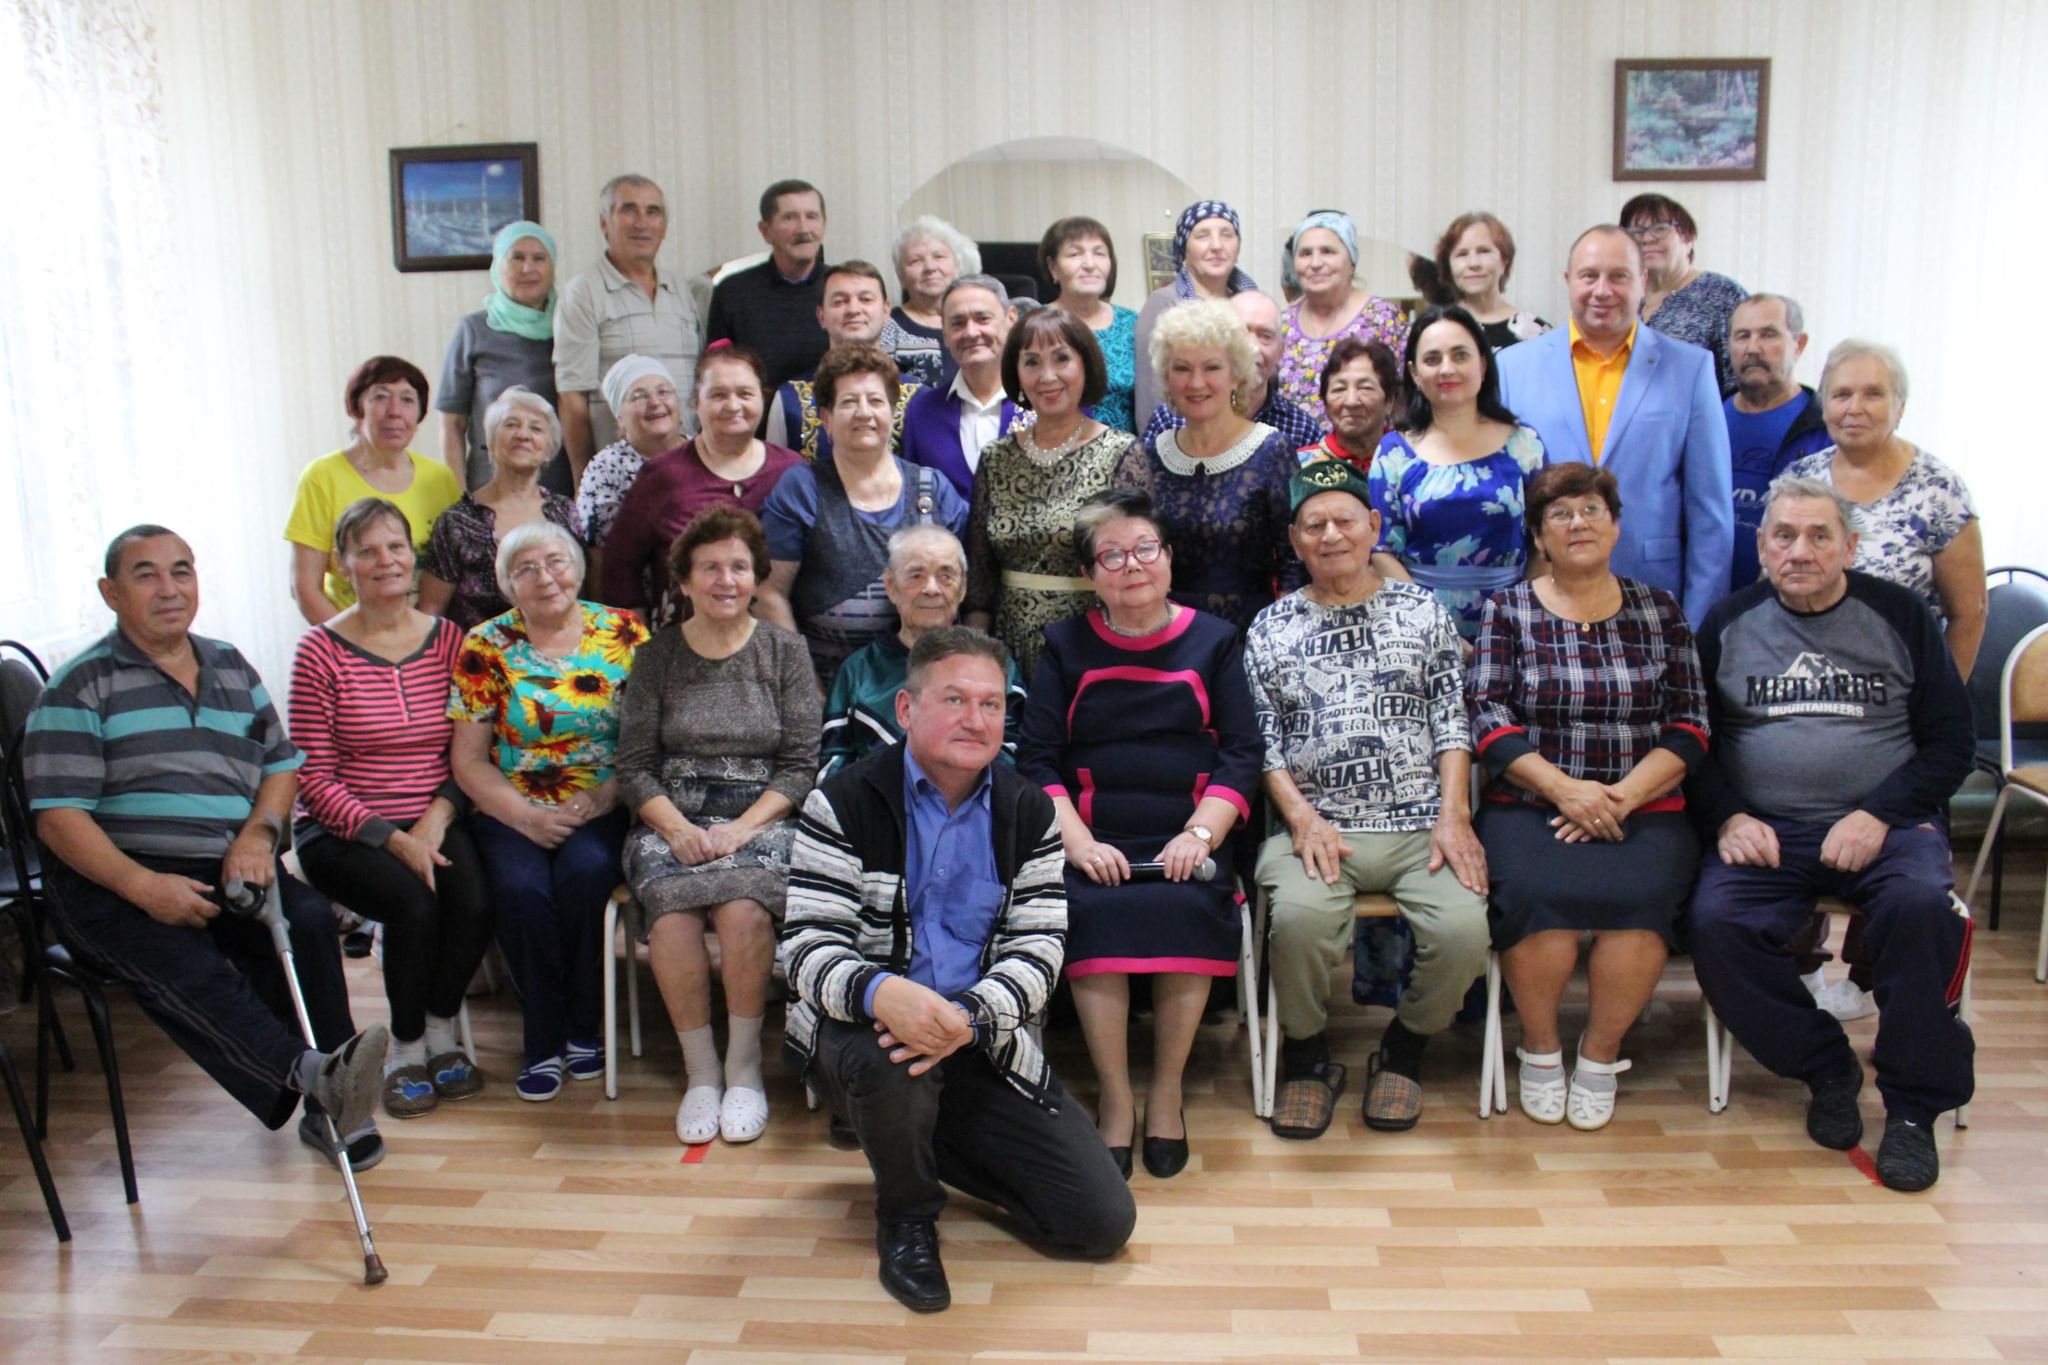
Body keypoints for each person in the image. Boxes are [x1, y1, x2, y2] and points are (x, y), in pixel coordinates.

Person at [782, 627, 1136, 1313]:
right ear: (907, 709)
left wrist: (969, 1018)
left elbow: (1039, 951)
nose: (976, 719)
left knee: (1100, 1222)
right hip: (865, 1029)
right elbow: (806, 946)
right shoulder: (842, 801)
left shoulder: (1028, 811)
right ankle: (907, 1214)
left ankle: (915, 1134)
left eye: (991, 704)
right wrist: (884, 993)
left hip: (976, 1036)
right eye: (954, 700)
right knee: (894, 1062)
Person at [24, 526, 390, 1168]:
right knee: (183, 956)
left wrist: (259, 834)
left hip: (229, 858)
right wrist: (143, 886)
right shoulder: (79, 686)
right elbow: (58, 821)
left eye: (182, 571)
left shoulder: (229, 664)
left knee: (307, 919)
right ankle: (317, 1079)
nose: (169, 589)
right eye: (146, 574)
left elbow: (281, 766)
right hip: (112, 877)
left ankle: (327, 1102)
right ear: (110, 593)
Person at [1687, 475, 1975, 1192]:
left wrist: (1880, 812)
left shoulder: (1900, 615)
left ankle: (1912, 1110)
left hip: (1889, 822)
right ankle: (1826, 1067)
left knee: (1921, 909)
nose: (1800, 551)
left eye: (1820, 536)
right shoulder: (1727, 623)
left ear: (1850, 546)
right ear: (1762, 546)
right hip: (1769, 830)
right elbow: (1692, 744)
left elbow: (1951, 742)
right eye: (1784, 535)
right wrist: (1728, 815)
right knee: (1716, 923)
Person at [1018, 492, 1261, 1178]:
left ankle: (1167, 1093)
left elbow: (1243, 752)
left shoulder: (1215, 640)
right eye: (1112, 555)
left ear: (1169, 557)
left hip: (1187, 832)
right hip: (1095, 836)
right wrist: (1078, 844)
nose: (1132, 565)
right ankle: (1117, 1099)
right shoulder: (1064, 646)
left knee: (1184, 904)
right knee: (1092, 910)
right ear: (1090, 574)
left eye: (1145, 549)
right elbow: (1036, 759)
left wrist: (1201, 835)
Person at [1246, 463, 1490, 1138]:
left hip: (1421, 826)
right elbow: (1261, 742)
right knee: (1297, 923)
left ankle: (1406, 1047)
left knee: (1464, 933)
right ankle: (1307, 1058)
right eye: (1314, 524)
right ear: (1295, 539)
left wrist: (1454, 815)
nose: (1331, 535)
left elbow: (1452, 721)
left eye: (1345, 521)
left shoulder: (1422, 611)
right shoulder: (1270, 625)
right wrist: (1300, 817)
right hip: (1315, 829)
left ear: (1373, 527)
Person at [1467, 462, 1708, 1131]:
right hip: (1531, 803)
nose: (1578, 523)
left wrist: (1621, 797)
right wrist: (1566, 791)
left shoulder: (1660, 610)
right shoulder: (1507, 610)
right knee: (1536, 898)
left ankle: (1600, 1055)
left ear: (1616, 525)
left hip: (1644, 805)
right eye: (1561, 514)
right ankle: (1541, 1048)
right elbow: (1488, 716)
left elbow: (1691, 722)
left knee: (1641, 902)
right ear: (1539, 536)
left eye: (1591, 510)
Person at [614, 507, 820, 1146]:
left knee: (742, 911)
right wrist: (677, 829)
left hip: (762, 815)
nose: (725, 580)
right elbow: (634, 766)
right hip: (669, 814)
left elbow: (800, 766)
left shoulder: (786, 652)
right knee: (673, 916)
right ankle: (702, 1072)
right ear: (684, 580)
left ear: (756, 576)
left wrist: (742, 830)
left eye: (738, 567)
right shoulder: (657, 656)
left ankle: (744, 1067)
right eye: (710, 567)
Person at [290, 499, 492, 1118]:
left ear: (414, 556)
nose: (386, 561)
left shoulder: (451, 640)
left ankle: (440, 1032)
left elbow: (473, 749)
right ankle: (405, 1049)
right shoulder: (318, 651)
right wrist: (392, 838)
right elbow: (312, 778)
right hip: (341, 830)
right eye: (368, 550)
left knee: (475, 902)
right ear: (342, 565)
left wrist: (438, 815)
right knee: (413, 903)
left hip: (435, 813)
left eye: (396, 547)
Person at [447, 521, 649, 1101]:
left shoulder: (625, 632)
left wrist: (605, 795)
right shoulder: (485, 644)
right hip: (510, 804)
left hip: (602, 801)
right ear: (507, 584)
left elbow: (648, 741)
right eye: (526, 569)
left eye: (555, 561)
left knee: (585, 875)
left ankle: (583, 1027)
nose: (544, 577)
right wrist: (525, 816)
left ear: (577, 567)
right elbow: (468, 760)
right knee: (521, 890)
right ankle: (542, 1038)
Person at [1494, 225, 1733, 623]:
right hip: (1544, 600)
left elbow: (1711, 515)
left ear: (1642, 281)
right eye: (1589, 276)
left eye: (1618, 276)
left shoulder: (1690, 369)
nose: (1602, 290)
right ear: (1568, 281)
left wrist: (1698, 628)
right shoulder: (1512, 368)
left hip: (1654, 599)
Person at [758, 344, 970, 690]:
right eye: (848, 402)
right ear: (826, 419)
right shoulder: (802, 489)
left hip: (926, 685)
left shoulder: (934, 489)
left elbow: (966, 587)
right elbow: (769, 594)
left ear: (893, 412)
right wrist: (806, 688)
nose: (863, 412)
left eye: (875, 400)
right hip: (827, 687)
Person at [1785, 341, 1987, 678]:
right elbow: (1771, 584)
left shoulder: (1939, 490)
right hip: (1801, 677)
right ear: (1824, 407)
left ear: (1900, 407)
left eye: (1873, 394)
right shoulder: (1798, 480)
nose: (1855, 408)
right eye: (1842, 394)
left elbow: (1970, 613)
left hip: (1903, 686)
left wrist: (1944, 697)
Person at [964, 307, 1135, 677]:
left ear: (1086, 365)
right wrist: (978, 662)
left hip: (1094, 645)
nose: (1047, 376)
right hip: (1008, 648)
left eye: (1061, 359)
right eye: (1031, 362)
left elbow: (1135, 569)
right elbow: (980, 578)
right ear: (1016, 373)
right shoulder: (996, 458)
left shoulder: (1122, 452)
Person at [1112, 299, 1301, 631]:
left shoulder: (1272, 450)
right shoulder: (1148, 456)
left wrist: (1280, 636)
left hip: (1249, 634)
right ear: (1167, 377)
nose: (1196, 383)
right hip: (1165, 636)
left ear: (1236, 375)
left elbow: (1294, 563)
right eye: (1182, 368)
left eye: (1212, 367)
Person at [1367, 305, 1548, 641]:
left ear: (1483, 364)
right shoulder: (1394, 452)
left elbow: (1545, 541)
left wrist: (1516, 620)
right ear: (1414, 373)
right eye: (1432, 359)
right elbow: (1381, 552)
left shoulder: (1525, 445)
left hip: (1514, 625)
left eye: (1460, 355)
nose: (1447, 369)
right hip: (1418, 628)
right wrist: (1438, 629)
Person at [598, 343, 801, 622]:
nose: (733, 406)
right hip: (681, 641)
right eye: (718, 395)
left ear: (763, 398)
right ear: (696, 401)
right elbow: (620, 567)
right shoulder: (662, 476)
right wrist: (637, 639)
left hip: (776, 640)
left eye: (745, 394)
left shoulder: (792, 472)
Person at [821, 525, 1024, 777]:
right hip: (873, 799)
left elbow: (1012, 753)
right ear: (891, 586)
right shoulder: (859, 670)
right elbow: (833, 764)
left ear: (962, 588)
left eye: (946, 576)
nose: (931, 589)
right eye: (916, 576)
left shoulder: (994, 665)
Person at [285, 355, 462, 626]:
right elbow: (305, 588)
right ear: (357, 408)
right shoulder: (322, 477)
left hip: (429, 636)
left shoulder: (440, 479)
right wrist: (352, 644)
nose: (395, 411)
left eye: (407, 399)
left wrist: (425, 642)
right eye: (380, 397)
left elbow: (453, 576)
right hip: (350, 637)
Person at [554, 174, 701, 483]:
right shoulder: (584, 292)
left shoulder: (683, 290)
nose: (642, 223)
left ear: (664, 226)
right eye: (629, 210)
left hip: (689, 467)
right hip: (620, 476)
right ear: (604, 223)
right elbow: (572, 396)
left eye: (653, 211)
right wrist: (585, 481)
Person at [418, 386, 584, 630]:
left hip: (561, 650)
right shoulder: (457, 521)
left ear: (549, 450)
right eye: (511, 424)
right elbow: (431, 610)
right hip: (477, 651)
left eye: (536, 428)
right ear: (491, 442)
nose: (523, 435)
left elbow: (581, 596)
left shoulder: (565, 513)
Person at [437, 219, 570, 493]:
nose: (528, 268)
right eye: (517, 257)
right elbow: (452, 423)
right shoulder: (474, 330)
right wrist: (458, 496)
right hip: (489, 489)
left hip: (560, 488)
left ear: (552, 267)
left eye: (539, 258)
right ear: (498, 266)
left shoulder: (570, 327)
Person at [1723, 293, 1832, 594]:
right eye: (1742, 336)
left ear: (1799, 344)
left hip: (1789, 603)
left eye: (1768, 334)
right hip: (1704, 602)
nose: (1752, 348)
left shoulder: (1825, 427)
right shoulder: (1705, 416)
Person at [764, 261, 922, 462]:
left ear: (886, 310)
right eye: (840, 301)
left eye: (865, 299)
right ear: (821, 315)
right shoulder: (788, 400)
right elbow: (775, 474)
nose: (853, 309)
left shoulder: (920, 398)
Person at [1139, 290, 1322, 452]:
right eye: (1241, 332)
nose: (1252, 347)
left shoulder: (1302, 430)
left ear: (1281, 350)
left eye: (1265, 336)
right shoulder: (1167, 420)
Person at [1277, 211, 1410, 428]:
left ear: (1351, 261)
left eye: (1328, 251)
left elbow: (1407, 397)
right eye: (1305, 253)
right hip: (1295, 447)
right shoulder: (1281, 324)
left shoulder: (1383, 318)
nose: (1315, 263)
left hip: (1368, 446)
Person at [1132, 200, 1260, 423]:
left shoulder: (1251, 303)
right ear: (1184, 250)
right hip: (1184, 435)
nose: (1217, 245)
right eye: (1203, 236)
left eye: (1226, 235)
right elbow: (1150, 398)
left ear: (1238, 248)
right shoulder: (1163, 304)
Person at [899, 274, 1023, 499]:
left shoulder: (1045, 402)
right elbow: (912, 499)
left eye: (983, 319)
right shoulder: (922, 412)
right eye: (958, 323)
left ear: (1011, 319)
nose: (971, 332)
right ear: (945, 334)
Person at [705, 179, 831, 391]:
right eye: (790, 217)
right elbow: (717, 372)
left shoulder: (843, 290)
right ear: (765, 230)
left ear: (824, 225)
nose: (803, 229)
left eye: (812, 216)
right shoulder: (733, 292)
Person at [576, 354, 687, 592]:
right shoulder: (606, 467)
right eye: (638, 396)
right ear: (620, 418)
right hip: (635, 601)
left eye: (663, 392)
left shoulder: (704, 451)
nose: (655, 402)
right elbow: (597, 559)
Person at [1622, 193, 1747, 397]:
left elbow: (1741, 382)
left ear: (1687, 238)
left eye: (1660, 229)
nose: (1646, 239)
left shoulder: (1722, 294)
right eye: (1636, 232)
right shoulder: (1621, 297)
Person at [1040, 216, 1138, 433]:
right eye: (1075, 254)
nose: (1090, 264)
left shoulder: (1133, 323)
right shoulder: (1033, 325)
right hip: (1053, 448)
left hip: (1127, 450)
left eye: (1099, 253)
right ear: (1053, 267)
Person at [881, 216, 978, 387]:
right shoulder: (887, 328)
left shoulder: (979, 324)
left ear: (957, 266)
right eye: (916, 260)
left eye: (939, 256)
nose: (930, 268)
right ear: (901, 276)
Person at [1433, 211, 1548, 352]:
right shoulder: (1432, 329)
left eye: (1483, 251)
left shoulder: (1537, 334)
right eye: (1462, 254)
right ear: (1449, 266)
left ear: (1504, 261)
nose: (1473, 263)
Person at [1296, 336, 1400, 476]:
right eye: (1339, 389)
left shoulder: (1413, 461)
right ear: (1326, 403)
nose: (1351, 402)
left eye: (1365, 388)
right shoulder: (1300, 467)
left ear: (1389, 401)